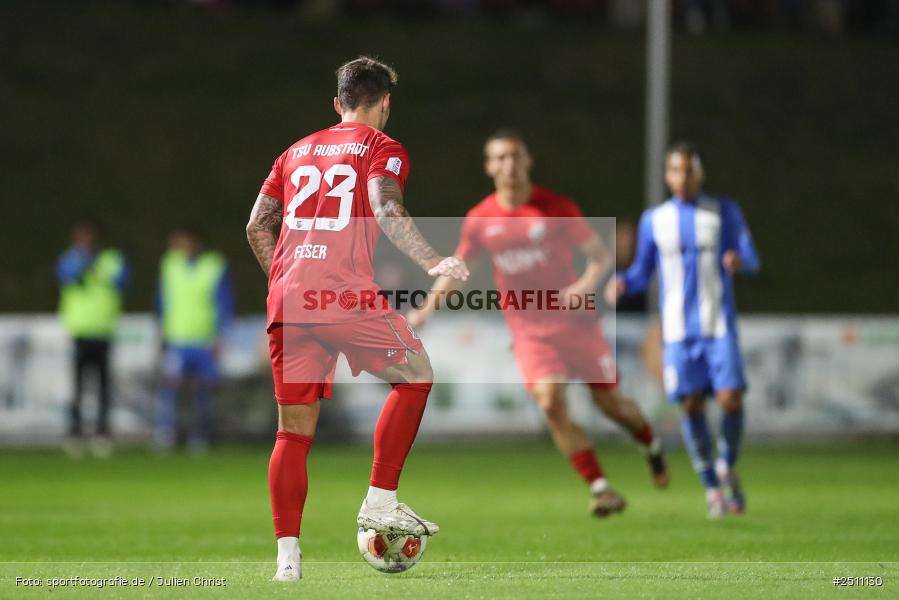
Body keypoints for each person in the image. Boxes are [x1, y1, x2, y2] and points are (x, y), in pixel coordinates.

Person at [245, 56, 468, 582]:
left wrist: (282, 283)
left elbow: (257, 225)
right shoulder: (381, 147)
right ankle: (379, 499)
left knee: (291, 435)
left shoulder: (294, 152)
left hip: (291, 300)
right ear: (385, 102)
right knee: (416, 376)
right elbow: (386, 208)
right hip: (342, 294)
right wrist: (434, 261)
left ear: (337, 103)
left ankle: (287, 564)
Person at [408, 130, 669, 519]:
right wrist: (427, 308)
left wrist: (581, 286)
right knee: (550, 401)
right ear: (489, 167)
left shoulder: (555, 207)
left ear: (527, 161)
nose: (509, 165)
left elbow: (599, 257)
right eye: (500, 158)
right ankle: (600, 488)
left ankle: (650, 444)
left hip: (577, 326)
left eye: (516, 156)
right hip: (529, 332)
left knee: (613, 407)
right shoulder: (481, 220)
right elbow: (459, 270)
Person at [607, 141, 760, 518]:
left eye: (689, 169)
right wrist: (624, 281)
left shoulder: (724, 211)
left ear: (700, 173)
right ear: (667, 175)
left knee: (730, 400)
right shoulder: (654, 220)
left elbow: (751, 256)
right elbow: (643, 271)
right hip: (676, 332)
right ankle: (712, 489)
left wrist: (739, 260)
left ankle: (727, 462)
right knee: (690, 405)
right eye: (676, 170)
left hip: (718, 324)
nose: (683, 177)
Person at [155, 227, 234, 453]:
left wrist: (219, 336)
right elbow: (162, 301)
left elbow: (224, 302)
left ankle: (199, 436)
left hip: (204, 339)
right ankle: (167, 433)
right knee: (171, 389)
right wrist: (161, 332)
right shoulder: (170, 264)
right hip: (177, 339)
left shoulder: (214, 265)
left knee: (204, 390)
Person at [56, 219, 129, 458]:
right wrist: (84, 264)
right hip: (79, 331)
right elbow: (66, 277)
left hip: (104, 330)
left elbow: (123, 282)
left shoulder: (111, 259)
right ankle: (75, 433)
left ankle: (102, 433)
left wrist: (98, 268)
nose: (85, 241)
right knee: (77, 386)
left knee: (103, 386)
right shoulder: (70, 259)